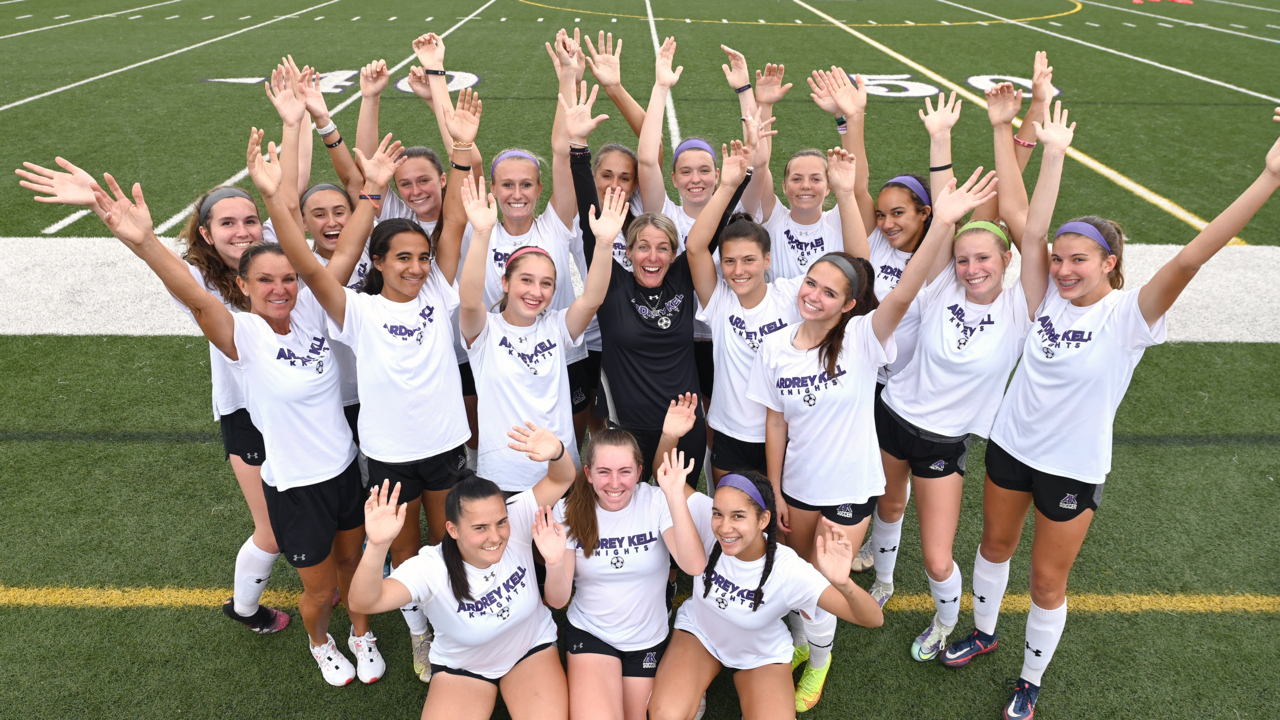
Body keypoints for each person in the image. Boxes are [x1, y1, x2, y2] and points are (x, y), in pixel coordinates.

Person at [943, 111, 1280, 720]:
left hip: (1071, 468)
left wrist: (1269, 177)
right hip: (1010, 446)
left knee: (1047, 582)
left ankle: (1030, 679)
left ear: (1109, 265)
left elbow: (1190, 258)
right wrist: (1010, 133)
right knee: (994, 547)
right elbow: (1022, 220)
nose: (1066, 270)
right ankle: (984, 630)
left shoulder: (1130, 315)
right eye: (1060, 259)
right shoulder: (1045, 292)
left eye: (1081, 261)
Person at [88, 133, 380, 683]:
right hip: (295, 486)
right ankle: (320, 643)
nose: (279, 289)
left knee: (350, 567)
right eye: (265, 281)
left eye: (288, 278)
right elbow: (198, 296)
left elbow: (338, 257)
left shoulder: (315, 308)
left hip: (343, 472)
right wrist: (143, 241)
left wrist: (372, 195)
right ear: (242, 286)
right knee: (318, 591)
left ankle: (362, 634)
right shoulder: (241, 336)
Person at [747, 169, 997, 710]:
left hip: (850, 488)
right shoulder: (773, 349)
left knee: (823, 580)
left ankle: (818, 661)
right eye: (811, 283)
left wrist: (945, 223)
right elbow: (775, 424)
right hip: (797, 485)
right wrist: (776, 489)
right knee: (797, 574)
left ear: (848, 304)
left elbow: (904, 292)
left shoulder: (862, 338)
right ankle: (798, 642)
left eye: (830, 291)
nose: (814, 295)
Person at [16, 158, 291, 636]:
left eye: (250, 221)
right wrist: (118, 220)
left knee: (320, 509)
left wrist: (299, 123)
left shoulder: (279, 263)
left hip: (299, 409)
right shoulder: (199, 281)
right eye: (227, 223)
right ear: (206, 234)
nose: (242, 231)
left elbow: (292, 194)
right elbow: (164, 263)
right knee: (271, 532)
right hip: (248, 415)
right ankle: (245, 609)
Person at [870, 98, 1071, 663]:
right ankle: (882, 581)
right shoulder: (939, 286)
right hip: (892, 415)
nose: (971, 268)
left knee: (937, 558)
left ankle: (944, 619)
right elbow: (945, 219)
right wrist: (941, 141)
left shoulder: (1020, 308)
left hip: (943, 442)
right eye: (962, 259)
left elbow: (1033, 230)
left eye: (983, 258)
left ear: (1005, 260)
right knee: (886, 509)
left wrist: (1034, 147)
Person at [457, 79, 625, 492]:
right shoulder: (484, 329)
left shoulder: (555, 325)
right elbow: (469, 298)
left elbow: (592, 297)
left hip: (558, 471)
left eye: (546, 283)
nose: (536, 291)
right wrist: (481, 233)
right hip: (507, 478)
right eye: (526, 281)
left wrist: (604, 244)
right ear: (505, 282)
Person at [571, 115, 754, 486]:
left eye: (662, 249)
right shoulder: (611, 286)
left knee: (677, 513)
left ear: (673, 255)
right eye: (642, 247)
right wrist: (578, 150)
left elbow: (707, 234)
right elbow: (595, 234)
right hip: (627, 429)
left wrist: (735, 181)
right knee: (627, 510)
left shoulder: (682, 279)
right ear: (629, 251)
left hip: (685, 423)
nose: (652, 257)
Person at [348, 423, 576, 720]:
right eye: (479, 528)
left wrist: (557, 452)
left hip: (530, 650)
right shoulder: (431, 567)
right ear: (452, 529)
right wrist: (378, 545)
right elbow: (364, 602)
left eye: (500, 522)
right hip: (463, 667)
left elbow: (563, 479)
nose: (495, 537)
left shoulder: (518, 518)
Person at [645, 470, 883, 720]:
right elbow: (668, 474)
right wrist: (669, 436)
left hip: (758, 653)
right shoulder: (707, 522)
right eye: (718, 514)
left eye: (738, 516)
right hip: (700, 634)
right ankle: (695, 686)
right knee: (664, 715)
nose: (724, 527)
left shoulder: (788, 570)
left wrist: (843, 583)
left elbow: (872, 619)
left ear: (763, 519)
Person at [690, 143, 865, 483]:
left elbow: (858, 265)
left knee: (778, 524)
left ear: (767, 261)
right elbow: (696, 247)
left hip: (787, 433)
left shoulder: (790, 294)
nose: (739, 270)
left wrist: (845, 193)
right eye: (729, 261)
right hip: (730, 435)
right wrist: (726, 186)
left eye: (749, 260)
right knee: (733, 517)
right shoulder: (719, 301)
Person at [362, 34, 484, 475]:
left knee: (475, 428)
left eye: (425, 181)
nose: (415, 191)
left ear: (443, 180)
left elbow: (463, 152)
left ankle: (471, 474)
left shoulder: (463, 202)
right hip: (421, 347)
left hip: (468, 341)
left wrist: (436, 79)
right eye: (406, 183)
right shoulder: (396, 212)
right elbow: (363, 166)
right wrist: (369, 100)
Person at [542, 437, 706, 720]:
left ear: (639, 472)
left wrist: (675, 495)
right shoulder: (568, 510)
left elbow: (693, 566)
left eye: (625, 471)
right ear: (589, 474)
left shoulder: (656, 500)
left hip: (646, 638)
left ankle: (682, 687)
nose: (614, 483)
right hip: (592, 633)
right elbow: (557, 601)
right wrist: (554, 561)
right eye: (604, 471)